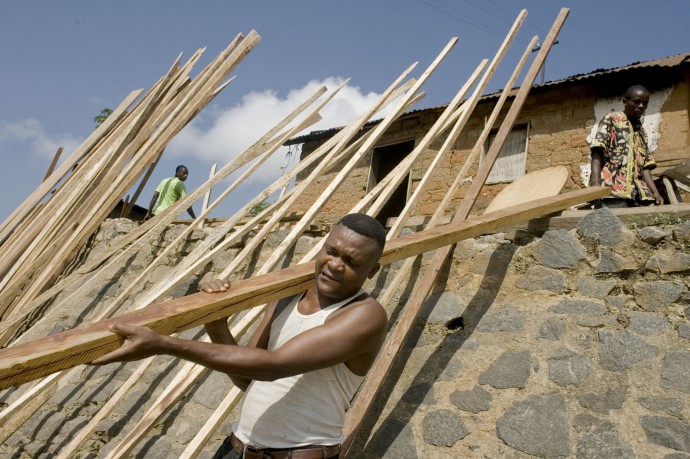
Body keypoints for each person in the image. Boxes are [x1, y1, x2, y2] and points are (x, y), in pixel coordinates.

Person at [93, 213, 389, 459]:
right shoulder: (287, 296)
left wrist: (163, 344)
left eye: (351, 262)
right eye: (331, 252)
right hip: (237, 449)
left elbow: (272, 366)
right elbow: (248, 378)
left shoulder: (365, 315)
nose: (335, 264)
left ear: (373, 270)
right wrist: (216, 322)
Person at [589, 85, 664, 207]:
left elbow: (645, 166)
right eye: (636, 102)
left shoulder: (641, 131)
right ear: (625, 101)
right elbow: (597, 152)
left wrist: (655, 193)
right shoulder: (612, 120)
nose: (641, 106)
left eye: (645, 103)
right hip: (613, 191)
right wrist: (595, 184)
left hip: (638, 193)